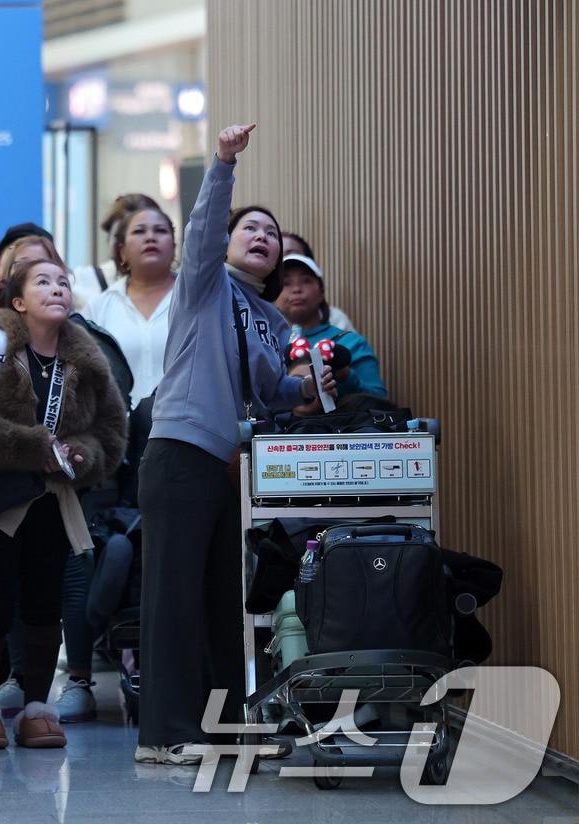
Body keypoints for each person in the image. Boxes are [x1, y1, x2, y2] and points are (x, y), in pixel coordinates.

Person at [136, 125, 336, 766]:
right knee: (172, 596)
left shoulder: (271, 318)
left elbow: (273, 391)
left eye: (271, 234)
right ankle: (164, 735)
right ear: (226, 242)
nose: (261, 236)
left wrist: (307, 384)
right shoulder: (203, 282)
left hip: (226, 466)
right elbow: (199, 230)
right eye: (249, 228)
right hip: (178, 451)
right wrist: (222, 164)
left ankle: (221, 729)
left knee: (221, 599)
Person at [0, 259, 125, 751]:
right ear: (19, 300)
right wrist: (34, 447)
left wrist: (80, 455)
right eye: (43, 281)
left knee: (46, 607)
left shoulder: (87, 359)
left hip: (54, 499)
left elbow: (112, 430)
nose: (57, 288)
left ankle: (37, 709)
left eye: (64, 281)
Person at [86, 197, 177, 410]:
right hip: (119, 431)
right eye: (139, 231)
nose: (150, 237)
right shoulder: (99, 307)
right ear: (121, 251)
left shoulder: (194, 300)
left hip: (181, 429)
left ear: (174, 246)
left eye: (160, 231)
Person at [275, 254, 387, 399]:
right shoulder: (269, 345)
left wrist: (345, 376)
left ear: (321, 291)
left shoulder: (352, 343)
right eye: (286, 283)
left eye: (306, 281)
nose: (296, 289)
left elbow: (380, 400)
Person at [282, 233, 355, 331]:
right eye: (277, 256)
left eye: (291, 254)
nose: (296, 289)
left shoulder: (336, 322)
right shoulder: (261, 318)